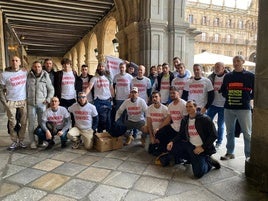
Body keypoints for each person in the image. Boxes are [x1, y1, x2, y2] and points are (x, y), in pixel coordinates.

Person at [167, 100, 221, 178]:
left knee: (198, 174)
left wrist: (202, 147)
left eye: (191, 106)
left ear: (196, 107)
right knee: (173, 147)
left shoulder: (205, 119)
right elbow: (181, 134)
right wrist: (172, 141)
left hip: (201, 148)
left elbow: (214, 135)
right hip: (190, 145)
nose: (188, 108)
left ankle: (209, 162)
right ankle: (191, 159)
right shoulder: (185, 120)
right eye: (187, 107)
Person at [220, 55, 254, 160]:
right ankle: (230, 152)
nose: (236, 63)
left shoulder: (250, 76)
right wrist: (229, 96)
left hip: (244, 108)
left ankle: (248, 155)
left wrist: (247, 98)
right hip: (229, 107)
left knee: (247, 133)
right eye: (234, 61)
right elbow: (223, 90)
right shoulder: (228, 76)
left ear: (243, 62)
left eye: (238, 61)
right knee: (229, 131)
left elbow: (256, 90)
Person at [0, 56, 27, 150]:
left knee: (23, 122)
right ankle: (14, 141)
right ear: (10, 62)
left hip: (23, 100)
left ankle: (21, 140)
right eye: (13, 60)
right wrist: (5, 102)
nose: (14, 62)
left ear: (20, 62)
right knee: (12, 122)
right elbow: (1, 89)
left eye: (16, 60)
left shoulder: (25, 72)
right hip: (11, 101)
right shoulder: (4, 74)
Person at [27, 61, 54, 149]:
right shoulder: (28, 76)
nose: (37, 68)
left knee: (42, 123)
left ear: (41, 67)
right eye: (35, 66)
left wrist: (48, 99)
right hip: (30, 104)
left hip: (42, 104)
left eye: (39, 66)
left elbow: (51, 90)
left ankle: (40, 141)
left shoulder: (45, 76)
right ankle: (32, 142)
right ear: (32, 67)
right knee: (31, 123)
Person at [154, 86, 187, 153]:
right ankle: (162, 150)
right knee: (159, 133)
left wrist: (182, 132)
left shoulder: (184, 104)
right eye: (170, 93)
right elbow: (168, 119)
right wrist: (159, 128)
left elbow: (186, 121)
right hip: (173, 127)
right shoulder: (170, 105)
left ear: (178, 93)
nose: (171, 95)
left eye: (173, 93)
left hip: (181, 130)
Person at [85, 62, 114, 132]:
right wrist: (84, 96)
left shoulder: (108, 78)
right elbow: (89, 88)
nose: (101, 68)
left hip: (108, 100)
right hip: (98, 101)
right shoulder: (94, 78)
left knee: (108, 119)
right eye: (99, 66)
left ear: (105, 68)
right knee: (98, 117)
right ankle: (99, 133)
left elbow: (111, 88)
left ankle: (108, 133)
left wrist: (113, 97)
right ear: (97, 68)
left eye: (102, 66)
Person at [207, 62, 228, 148]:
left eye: (218, 67)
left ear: (223, 68)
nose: (216, 68)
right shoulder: (211, 77)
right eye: (215, 67)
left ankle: (219, 142)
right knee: (207, 122)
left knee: (220, 124)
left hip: (223, 105)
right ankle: (208, 139)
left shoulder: (228, 77)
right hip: (213, 104)